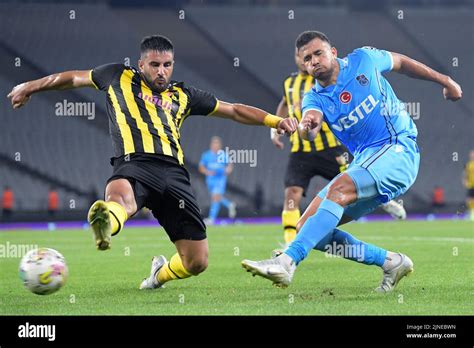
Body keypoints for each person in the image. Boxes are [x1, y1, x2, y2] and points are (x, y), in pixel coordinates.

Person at [7, 35, 297, 290]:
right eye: (155, 65)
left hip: (174, 175)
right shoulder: (117, 76)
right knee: (123, 199)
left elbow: (233, 110)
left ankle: (158, 275)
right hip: (133, 164)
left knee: (197, 262)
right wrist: (29, 86)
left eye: (167, 65)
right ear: (140, 64)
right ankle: (106, 219)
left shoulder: (183, 95)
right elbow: (72, 78)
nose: (161, 71)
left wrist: (275, 120)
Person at [242, 31, 462, 292]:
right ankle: (391, 262)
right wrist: (305, 127)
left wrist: (445, 80)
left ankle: (288, 262)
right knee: (308, 228)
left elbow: (401, 63)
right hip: (366, 161)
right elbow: (310, 125)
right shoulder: (314, 97)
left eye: (318, 53)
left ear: (333, 52)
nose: (313, 61)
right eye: (307, 58)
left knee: (337, 191)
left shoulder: (364, 59)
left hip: (398, 148)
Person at [272, 46, 406, 245]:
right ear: (297, 59)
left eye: (315, 55)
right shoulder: (289, 82)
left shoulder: (322, 78)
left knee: (355, 185)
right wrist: (275, 126)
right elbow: (284, 102)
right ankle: (290, 243)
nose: (307, 61)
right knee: (292, 192)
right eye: (303, 56)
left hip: (331, 148)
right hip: (301, 149)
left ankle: (383, 199)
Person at [199, 136, 236, 225]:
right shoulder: (206, 155)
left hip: (220, 180)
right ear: (211, 145)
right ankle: (229, 204)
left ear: (220, 145)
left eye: (217, 143)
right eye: (214, 143)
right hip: (210, 180)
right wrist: (207, 172)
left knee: (215, 198)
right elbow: (201, 168)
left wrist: (227, 170)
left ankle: (212, 219)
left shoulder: (223, 155)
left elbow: (230, 165)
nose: (216, 145)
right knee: (216, 198)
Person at [463, 150, 474, 221]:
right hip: (470, 185)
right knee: (469, 200)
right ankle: (471, 212)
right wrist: (464, 181)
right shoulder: (467, 165)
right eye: (471, 155)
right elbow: (464, 174)